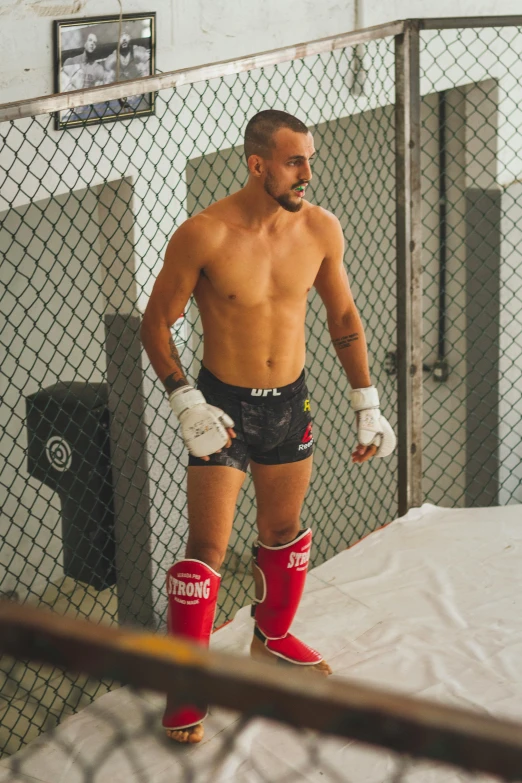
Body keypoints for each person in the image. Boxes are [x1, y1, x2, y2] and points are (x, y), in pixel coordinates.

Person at [141, 109, 396, 745]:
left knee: (283, 532)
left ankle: (271, 639)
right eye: (294, 161)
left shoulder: (320, 228)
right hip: (222, 408)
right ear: (258, 164)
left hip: (291, 401)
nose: (308, 173)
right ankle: (187, 681)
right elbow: (155, 324)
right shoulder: (203, 234)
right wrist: (185, 401)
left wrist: (366, 400)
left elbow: (342, 316)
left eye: (309, 159)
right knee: (207, 552)